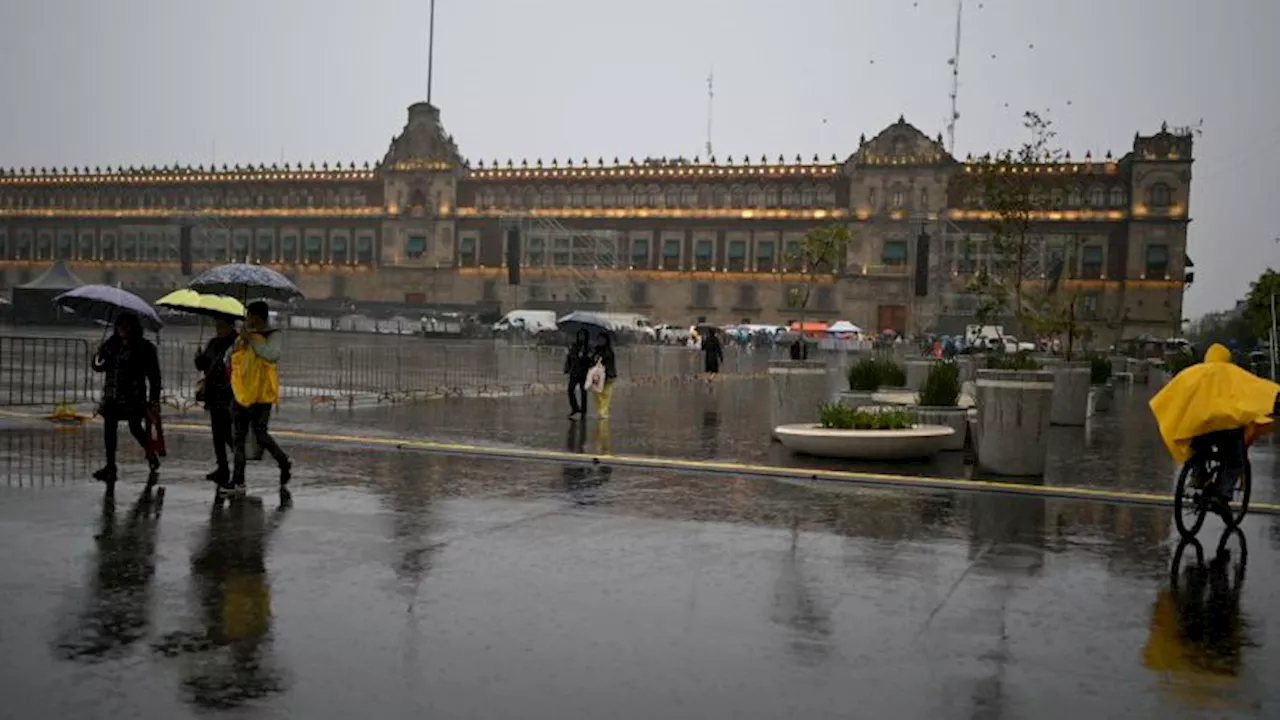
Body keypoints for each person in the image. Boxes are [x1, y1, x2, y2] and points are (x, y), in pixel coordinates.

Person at [1150, 343, 1280, 506]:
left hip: (1200, 426)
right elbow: (1257, 388)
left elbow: (1174, 392)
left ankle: (1198, 476)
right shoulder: (1234, 374)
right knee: (1234, 462)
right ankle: (1223, 494)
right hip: (1227, 428)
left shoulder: (1194, 373)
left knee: (1197, 451)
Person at [228, 301, 291, 492]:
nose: (247, 320)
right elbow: (231, 357)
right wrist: (241, 342)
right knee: (238, 438)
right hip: (242, 393)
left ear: (259, 317)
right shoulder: (245, 335)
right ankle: (238, 480)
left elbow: (271, 355)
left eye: (250, 316)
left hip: (262, 395)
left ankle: (283, 461)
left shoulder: (273, 335)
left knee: (260, 434)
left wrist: (253, 339)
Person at [90, 313, 161, 483]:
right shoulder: (111, 344)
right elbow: (99, 367)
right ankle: (110, 466)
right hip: (112, 395)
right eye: (120, 325)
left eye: (127, 325)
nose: (123, 329)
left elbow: (154, 375)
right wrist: (97, 355)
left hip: (133, 396)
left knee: (135, 427)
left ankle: (151, 453)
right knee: (109, 430)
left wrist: (154, 399)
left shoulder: (144, 348)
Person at [195, 317, 238, 486]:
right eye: (217, 326)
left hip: (229, 395)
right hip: (213, 395)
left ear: (230, 326)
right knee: (217, 435)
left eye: (221, 325)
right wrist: (199, 359)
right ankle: (222, 468)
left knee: (227, 433)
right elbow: (204, 365)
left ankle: (239, 465)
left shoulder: (237, 343)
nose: (218, 329)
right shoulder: (213, 343)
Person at [563, 328, 592, 419]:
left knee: (584, 392)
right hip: (574, 371)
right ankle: (575, 407)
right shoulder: (574, 346)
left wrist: (585, 356)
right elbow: (569, 358)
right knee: (570, 390)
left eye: (583, 335)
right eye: (580, 335)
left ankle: (584, 410)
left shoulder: (588, 347)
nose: (581, 337)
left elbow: (591, 361)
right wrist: (567, 368)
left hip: (584, 372)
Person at [590, 331, 618, 420]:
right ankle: (600, 410)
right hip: (597, 376)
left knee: (606, 394)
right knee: (597, 394)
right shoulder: (595, 350)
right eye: (599, 339)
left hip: (607, 376)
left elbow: (609, 364)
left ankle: (603, 412)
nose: (600, 341)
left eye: (602, 339)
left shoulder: (609, 351)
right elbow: (592, 362)